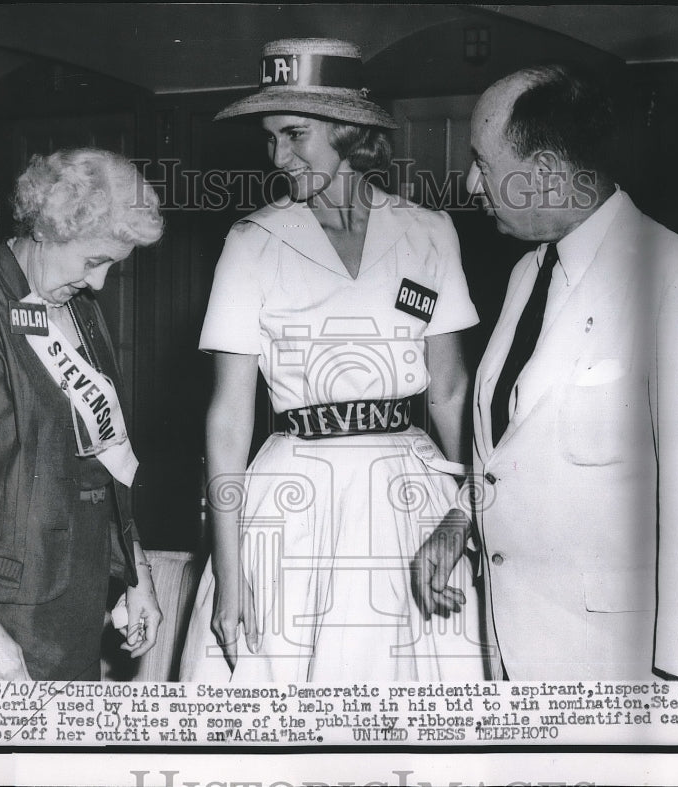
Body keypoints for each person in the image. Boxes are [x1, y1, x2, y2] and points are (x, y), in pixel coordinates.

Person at [434, 65, 678, 681]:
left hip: (619, 673)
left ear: (546, 175)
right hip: (512, 656)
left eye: (483, 161)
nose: (470, 183)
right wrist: (461, 518)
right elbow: (512, 451)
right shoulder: (523, 274)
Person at [179, 38, 486, 682]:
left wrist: (465, 510)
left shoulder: (428, 231)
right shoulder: (251, 241)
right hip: (294, 496)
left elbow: (452, 391)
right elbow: (230, 417)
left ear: (348, 131)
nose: (279, 156)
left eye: (295, 134)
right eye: (270, 138)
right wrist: (230, 574)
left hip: (408, 491)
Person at [0, 148, 165, 680]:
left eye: (112, 266)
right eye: (93, 261)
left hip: (78, 594)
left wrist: (137, 578)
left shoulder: (83, 313)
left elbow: (107, 460)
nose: (99, 284)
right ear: (46, 229)